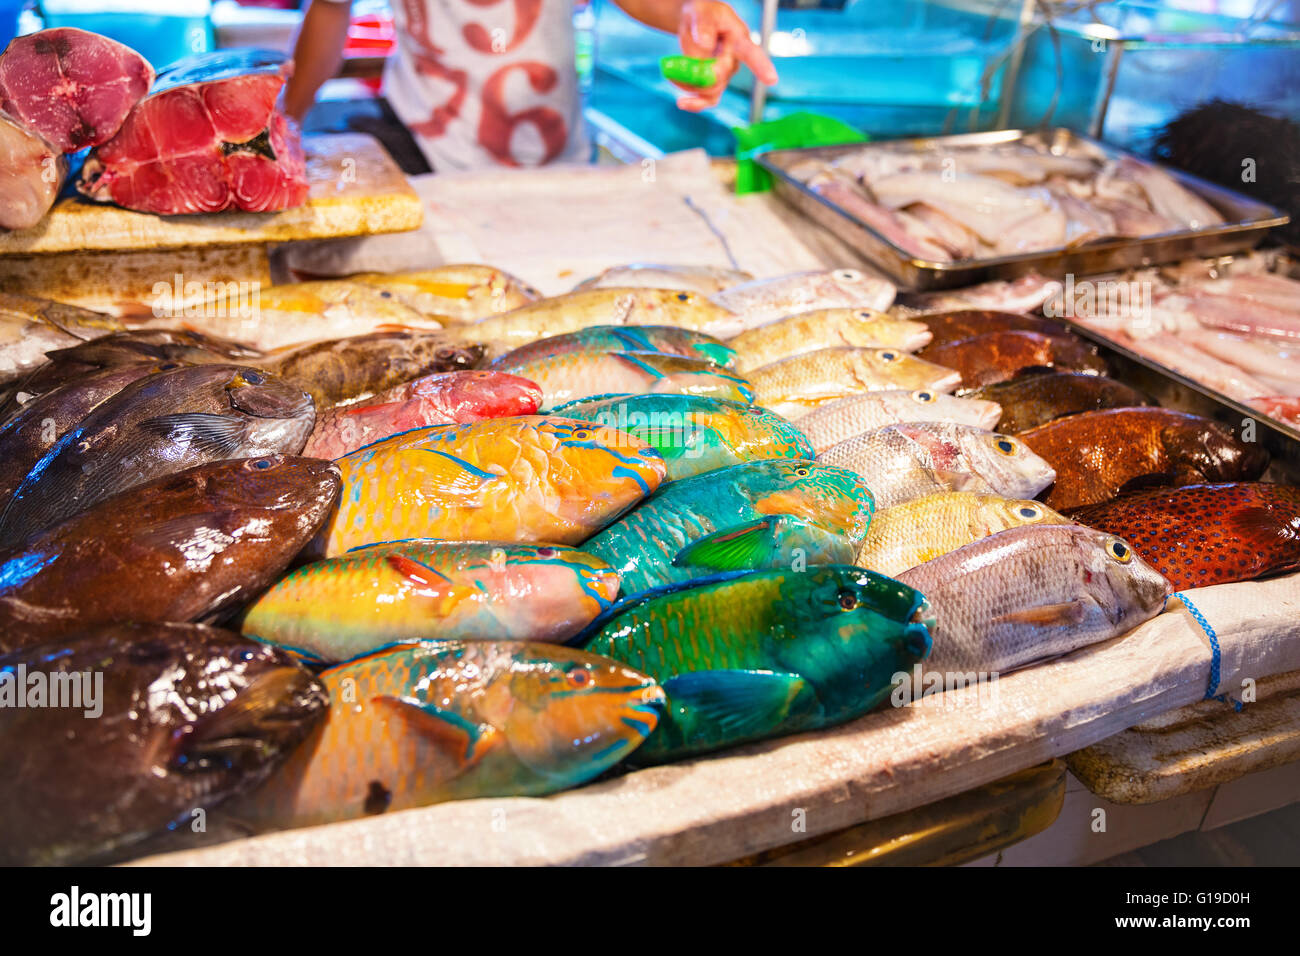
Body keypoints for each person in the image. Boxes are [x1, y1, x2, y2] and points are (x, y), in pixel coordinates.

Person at [284, 0, 778, 171]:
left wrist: (692, 12)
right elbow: (329, 12)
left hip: (559, 152)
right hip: (421, 142)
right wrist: (288, 125)